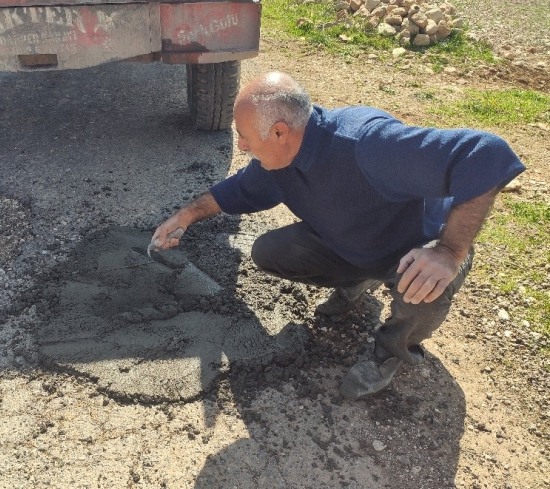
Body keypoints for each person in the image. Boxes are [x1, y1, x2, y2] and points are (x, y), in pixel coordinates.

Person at [151, 71, 525, 399]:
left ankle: (389, 352)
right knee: (269, 251)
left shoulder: (368, 144)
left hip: (417, 251)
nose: (242, 147)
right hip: (357, 244)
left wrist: (448, 250)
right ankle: (359, 279)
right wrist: (184, 216)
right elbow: (236, 191)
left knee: (424, 289)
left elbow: (485, 154)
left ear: (280, 132)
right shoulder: (280, 160)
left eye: (245, 137)